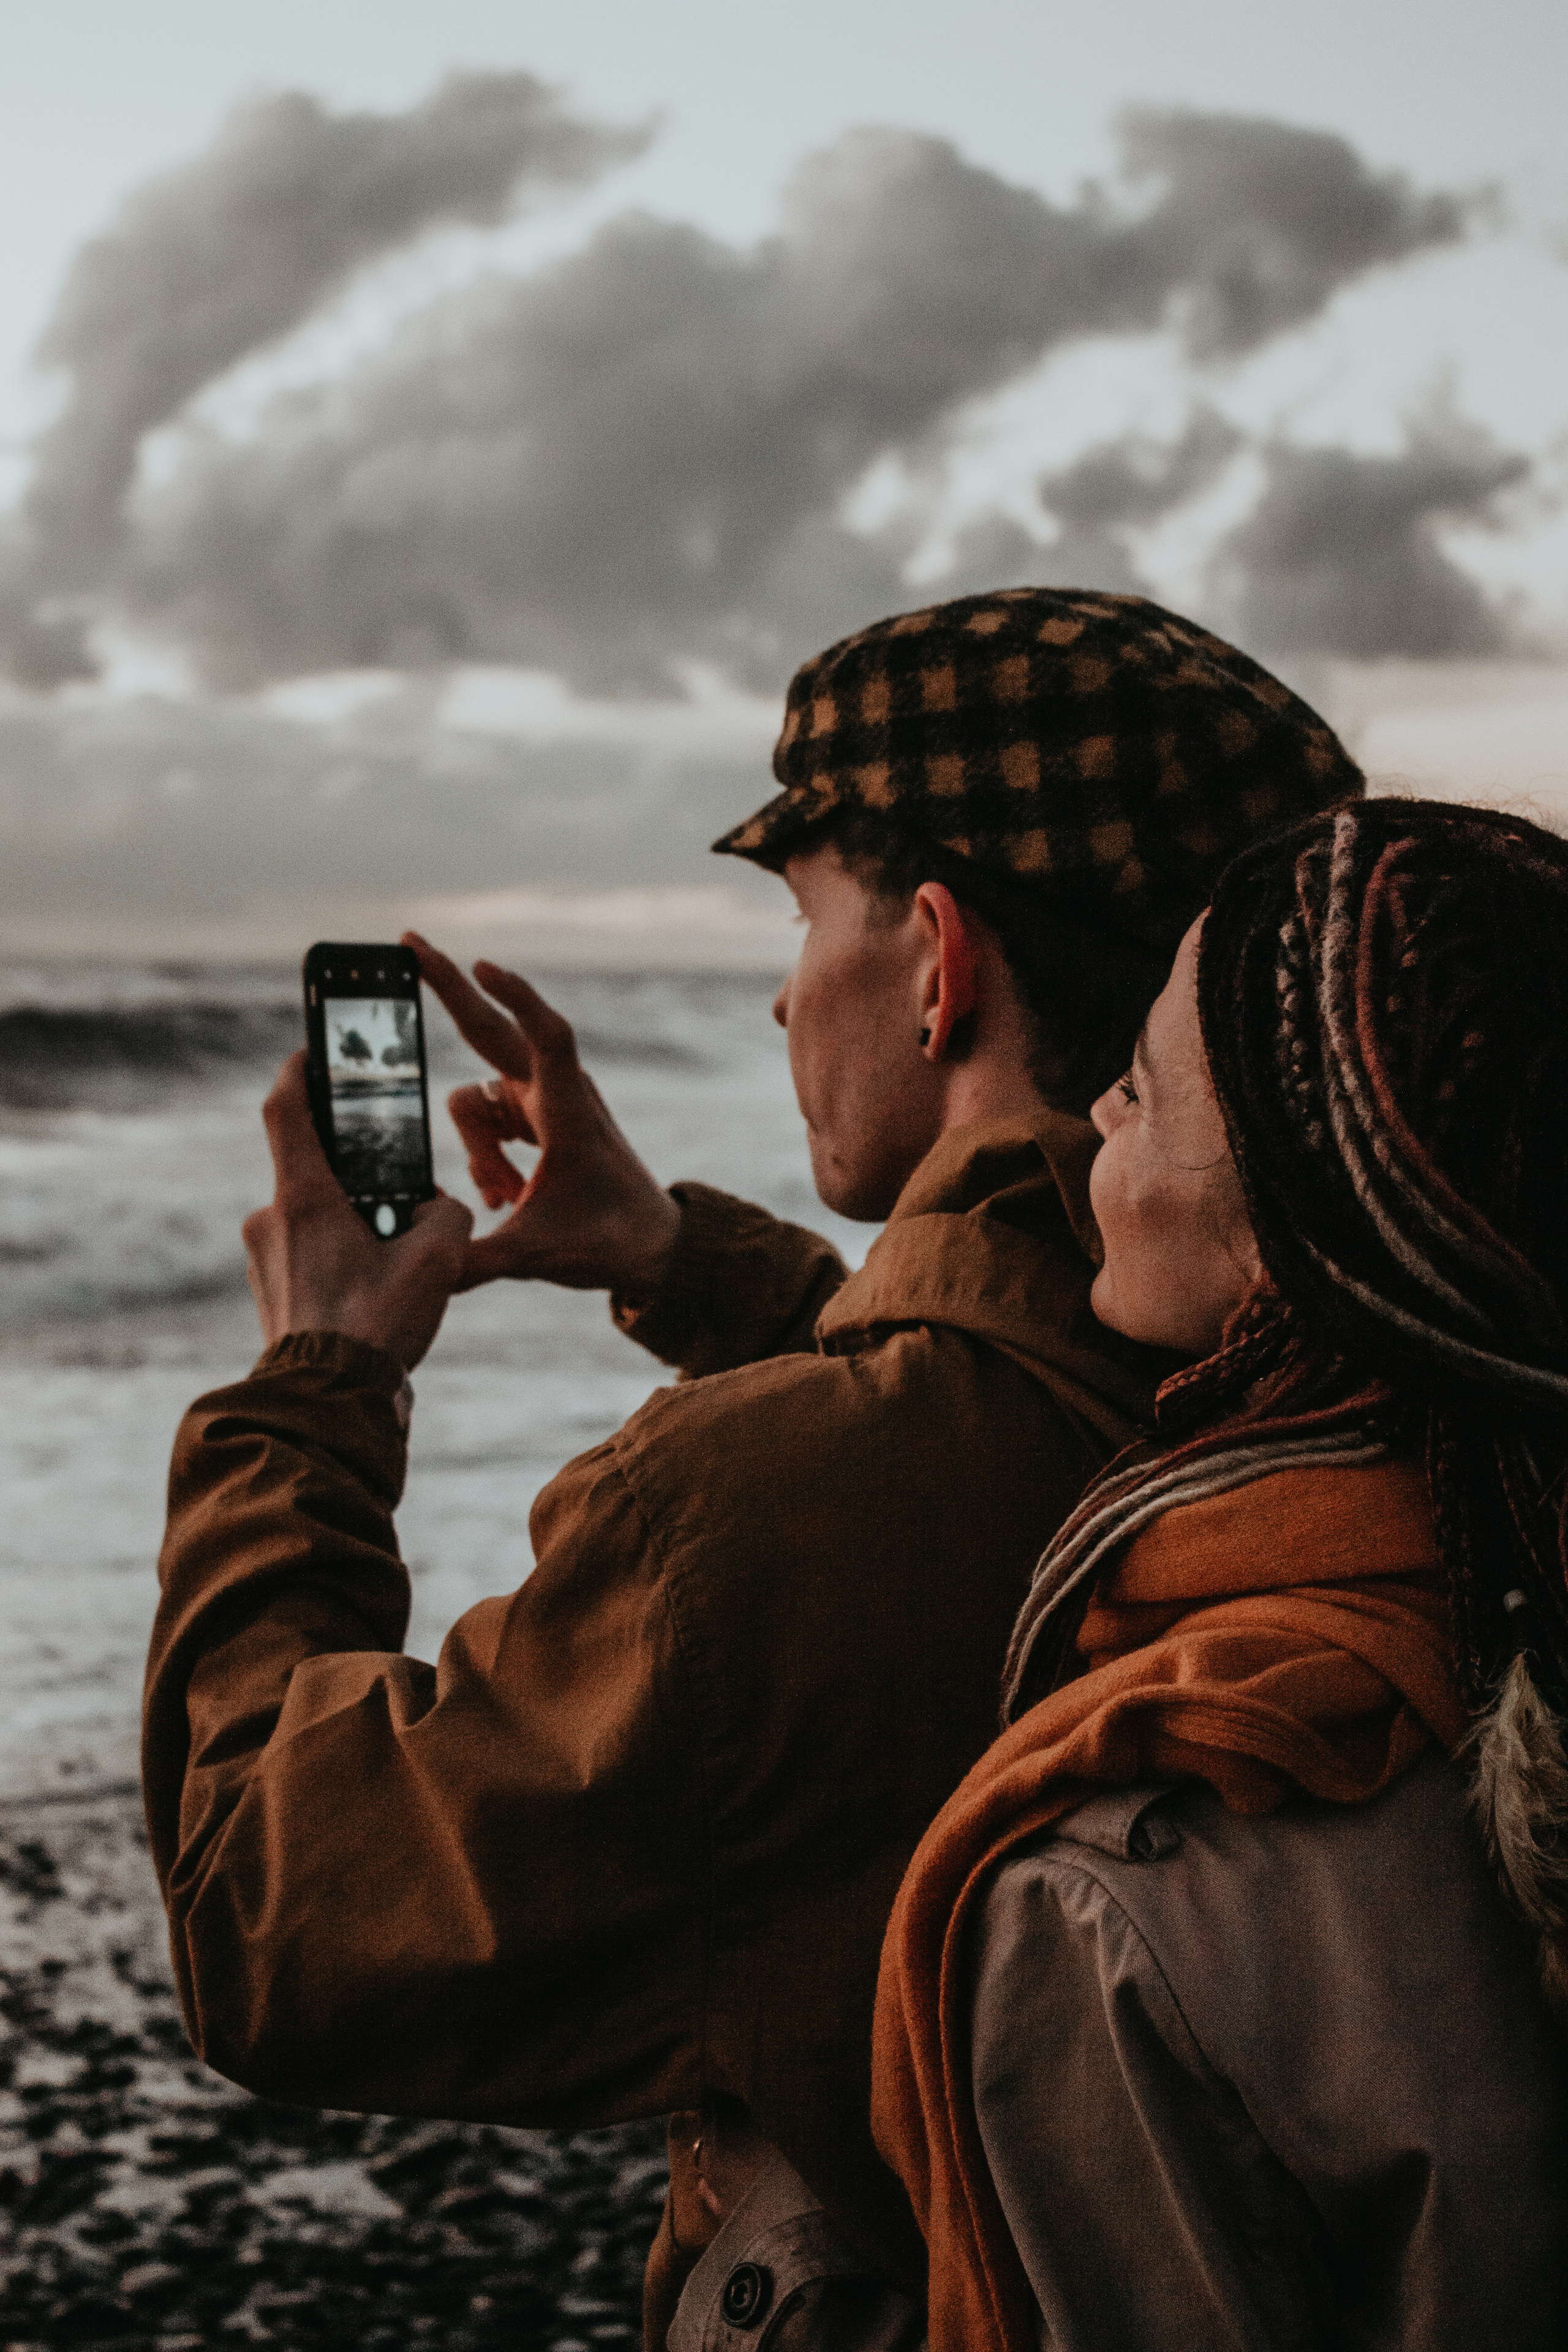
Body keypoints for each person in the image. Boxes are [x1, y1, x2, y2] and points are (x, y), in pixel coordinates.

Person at [141, 588, 1363, 2345]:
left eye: (805, 923)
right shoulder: (1294, 1377)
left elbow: (265, 1910)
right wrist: (671, 1250)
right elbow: (988, 1406)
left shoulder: (733, 1522)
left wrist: (313, 1387)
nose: (790, 994)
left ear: (940, 960)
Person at [682, 797, 1568, 2350]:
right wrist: (666, 1259)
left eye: (1143, 1093)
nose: (1094, 1113)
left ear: (1299, 1236)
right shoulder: (1494, 1583)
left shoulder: (1104, 1905)